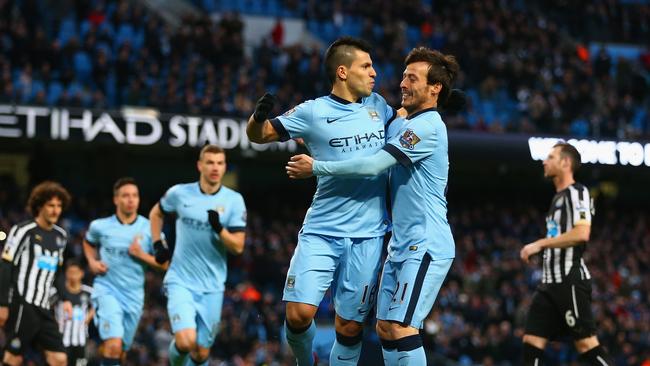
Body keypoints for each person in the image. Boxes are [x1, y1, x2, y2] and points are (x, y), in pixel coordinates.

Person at [286, 46, 459, 365]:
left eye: (412, 78)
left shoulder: (428, 127)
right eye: (404, 76)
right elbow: (360, 136)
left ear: (434, 87)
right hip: (400, 243)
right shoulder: (402, 124)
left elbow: (372, 165)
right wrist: (316, 134)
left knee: (400, 327)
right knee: (385, 328)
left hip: (426, 242)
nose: (402, 84)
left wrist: (317, 167)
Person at [247, 36, 399, 365]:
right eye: (366, 66)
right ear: (342, 72)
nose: (375, 72)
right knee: (299, 314)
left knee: (349, 325)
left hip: (369, 235)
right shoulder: (312, 111)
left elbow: (405, 118)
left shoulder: (378, 106)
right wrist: (258, 118)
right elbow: (258, 137)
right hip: (322, 230)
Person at [149, 144, 247, 366]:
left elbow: (238, 247)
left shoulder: (234, 200)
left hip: (212, 285)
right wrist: (157, 243)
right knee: (185, 342)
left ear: (224, 168)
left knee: (201, 353)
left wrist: (219, 229)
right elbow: (156, 213)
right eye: (210, 162)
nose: (215, 167)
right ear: (200, 165)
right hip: (181, 280)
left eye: (220, 163)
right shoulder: (179, 193)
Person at [519, 142, 614, 365]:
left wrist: (539, 244)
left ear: (566, 162)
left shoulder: (577, 192)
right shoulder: (557, 199)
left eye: (551, 157)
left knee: (586, 345)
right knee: (531, 342)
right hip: (548, 285)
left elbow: (582, 233)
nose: (544, 161)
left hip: (569, 281)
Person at [83, 177, 167, 365]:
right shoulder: (100, 226)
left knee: (121, 350)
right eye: (126, 196)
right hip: (106, 289)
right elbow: (88, 242)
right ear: (116, 200)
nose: (131, 200)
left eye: (135, 196)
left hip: (134, 296)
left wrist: (141, 255)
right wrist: (92, 262)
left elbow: (165, 264)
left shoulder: (151, 229)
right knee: (113, 344)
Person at [0, 181, 72, 366]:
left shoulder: (61, 236)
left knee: (59, 359)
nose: (56, 210)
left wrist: (65, 299)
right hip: (23, 303)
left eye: (59, 206)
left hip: (44, 307)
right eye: (51, 205)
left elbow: (58, 273)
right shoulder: (23, 231)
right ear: (39, 206)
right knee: (13, 358)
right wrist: (3, 304)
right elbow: (6, 266)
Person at [53, 259, 94, 366]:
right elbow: (47, 305)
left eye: (75, 273)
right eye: (70, 273)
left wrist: (89, 317)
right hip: (62, 340)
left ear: (81, 273)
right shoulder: (59, 292)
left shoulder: (88, 291)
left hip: (81, 340)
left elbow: (99, 304)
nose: (72, 276)